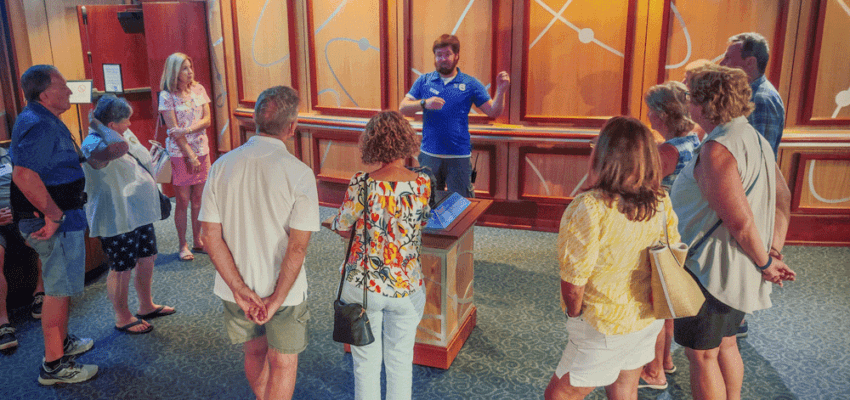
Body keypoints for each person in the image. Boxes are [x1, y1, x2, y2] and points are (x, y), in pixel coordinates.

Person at [672, 64, 795, 400]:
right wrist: (771, 250)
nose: (687, 103)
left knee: (702, 355)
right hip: (738, 265)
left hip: (711, 270)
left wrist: (766, 263)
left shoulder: (719, 148)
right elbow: (783, 199)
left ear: (705, 103)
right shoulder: (753, 137)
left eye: (690, 96)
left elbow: (738, 221)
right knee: (726, 345)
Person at [544, 116, 677, 400]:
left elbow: (574, 282)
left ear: (603, 155)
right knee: (625, 387)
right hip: (647, 318)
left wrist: (574, 317)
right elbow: (674, 251)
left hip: (603, 324)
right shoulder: (661, 201)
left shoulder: (590, 208)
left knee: (560, 395)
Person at [199, 86, 318, 400]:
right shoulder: (301, 173)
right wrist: (277, 300)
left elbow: (209, 237)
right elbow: (297, 248)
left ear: (253, 121)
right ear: (292, 127)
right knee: (284, 361)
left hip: (234, 287)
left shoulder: (220, 166)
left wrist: (240, 290)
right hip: (286, 290)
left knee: (254, 353)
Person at [331, 111, 432, 400]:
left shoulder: (361, 183)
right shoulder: (422, 184)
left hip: (363, 287)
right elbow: (420, 223)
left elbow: (342, 227)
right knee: (400, 363)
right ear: (406, 141)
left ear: (371, 143)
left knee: (365, 364)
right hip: (407, 286)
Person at [10, 65, 97, 384]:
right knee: (57, 293)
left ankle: (62, 341)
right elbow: (23, 175)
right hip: (51, 222)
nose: (71, 92)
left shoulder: (42, 118)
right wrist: (54, 213)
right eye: (63, 87)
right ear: (45, 94)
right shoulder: (39, 124)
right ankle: (53, 365)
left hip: (63, 217)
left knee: (62, 290)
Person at [80, 95, 176, 335]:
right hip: (116, 216)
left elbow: (134, 154)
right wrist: (98, 125)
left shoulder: (122, 133)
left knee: (147, 257)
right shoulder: (93, 143)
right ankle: (122, 316)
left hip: (140, 212)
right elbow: (118, 149)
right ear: (111, 125)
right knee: (122, 267)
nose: (130, 125)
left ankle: (146, 304)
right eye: (125, 121)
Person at [635, 80, 701, 389]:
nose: (647, 116)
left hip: (659, 231)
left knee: (655, 305)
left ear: (661, 114)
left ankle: (653, 372)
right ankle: (666, 361)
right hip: (679, 230)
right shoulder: (695, 140)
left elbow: (640, 188)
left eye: (650, 111)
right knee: (667, 299)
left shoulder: (668, 150)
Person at [399, 34, 509, 198]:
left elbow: (493, 112)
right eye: (439, 55)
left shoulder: (470, 83)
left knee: (461, 206)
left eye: (447, 54)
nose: (443, 59)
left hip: (459, 156)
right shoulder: (424, 81)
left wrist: (501, 91)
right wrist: (424, 103)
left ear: (456, 56)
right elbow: (403, 108)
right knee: (428, 204)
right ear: (435, 57)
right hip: (429, 155)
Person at [159, 52, 212, 261]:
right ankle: (183, 244)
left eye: (190, 67)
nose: (190, 72)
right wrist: (189, 154)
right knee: (182, 200)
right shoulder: (167, 96)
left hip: (202, 149)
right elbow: (173, 130)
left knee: (198, 199)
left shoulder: (199, 89)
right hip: (180, 153)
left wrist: (188, 130)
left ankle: (198, 240)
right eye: (184, 69)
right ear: (174, 72)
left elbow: (207, 120)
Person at [720, 32, 784, 159]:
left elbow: (759, 158)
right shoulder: (747, 94)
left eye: (728, 58)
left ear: (750, 62)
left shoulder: (761, 100)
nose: (722, 64)